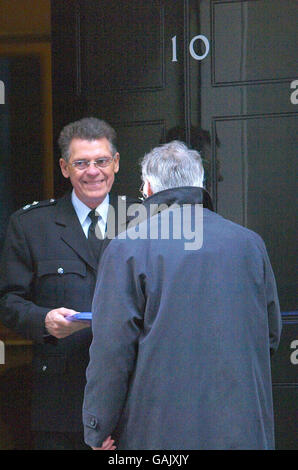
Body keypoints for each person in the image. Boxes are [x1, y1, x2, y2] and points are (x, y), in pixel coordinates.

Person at [83, 140, 282, 450]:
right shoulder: (249, 244)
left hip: (157, 433)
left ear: (147, 189)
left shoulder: (127, 248)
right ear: (200, 183)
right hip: (242, 430)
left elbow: (112, 353)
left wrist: (97, 430)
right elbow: (270, 335)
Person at [0, 117, 138, 450]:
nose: (93, 171)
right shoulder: (31, 225)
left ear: (116, 163)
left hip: (130, 399)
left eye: (102, 161)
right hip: (61, 404)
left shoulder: (143, 221)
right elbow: (8, 301)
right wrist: (43, 321)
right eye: (81, 163)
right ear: (64, 168)